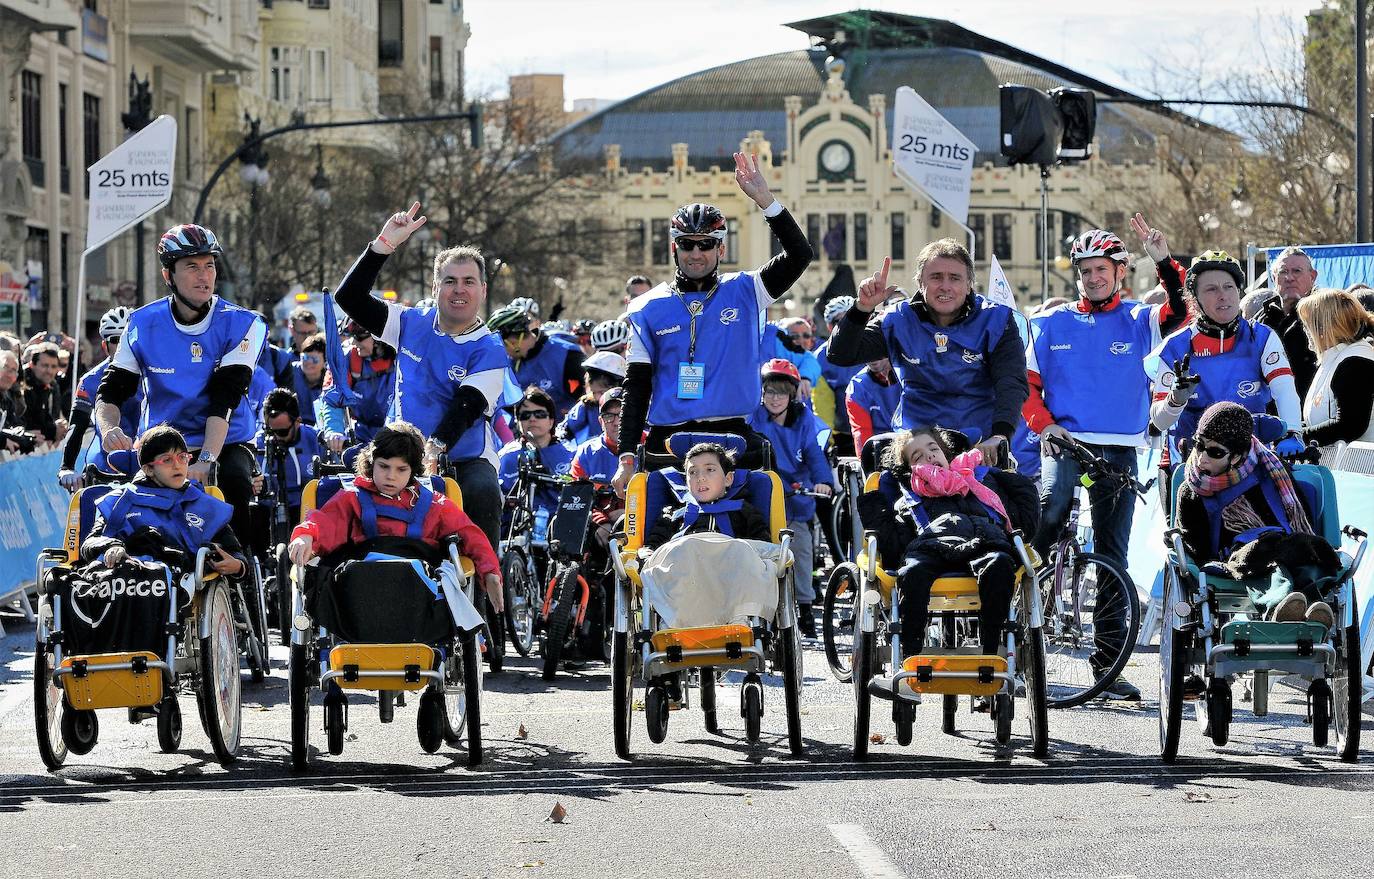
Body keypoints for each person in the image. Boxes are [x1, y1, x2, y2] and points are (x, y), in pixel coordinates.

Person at [1025, 218, 1190, 700]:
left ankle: (1107, 667)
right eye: (1085, 271)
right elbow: (1027, 388)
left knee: (1112, 553)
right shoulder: (1047, 323)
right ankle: (1019, 616)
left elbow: (1180, 309)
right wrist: (1044, 425)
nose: (1093, 278)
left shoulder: (1140, 319)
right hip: (1064, 441)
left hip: (1117, 447)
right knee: (1052, 509)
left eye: (1101, 270)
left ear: (1120, 272)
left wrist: (1163, 259)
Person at [612, 152, 812, 494]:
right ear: (675, 249)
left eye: (706, 244)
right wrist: (627, 455)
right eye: (687, 244)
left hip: (733, 436)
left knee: (762, 524)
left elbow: (800, 255)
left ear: (721, 249)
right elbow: (637, 386)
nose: (696, 252)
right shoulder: (646, 307)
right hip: (668, 441)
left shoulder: (748, 290)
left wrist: (766, 201)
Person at [329, 204, 508, 555]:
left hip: (462, 457)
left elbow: (466, 406)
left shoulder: (489, 347)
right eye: (450, 281)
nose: (459, 290)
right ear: (435, 286)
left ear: (483, 290)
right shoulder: (410, 322)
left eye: (469, 282)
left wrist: (434, 450)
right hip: (400, 453)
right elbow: (348, 298)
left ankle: (489, 598)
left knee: (484, 491)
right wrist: (383, 245)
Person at [95, 224, 268, 550]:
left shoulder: (243, 323)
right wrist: (108, 429)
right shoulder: (141, 323)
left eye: (209, 265)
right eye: (192, 266)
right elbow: (113, 389)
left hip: (225, 441)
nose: (204, 275)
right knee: (130, 502)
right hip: (161, 443)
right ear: (168, 275)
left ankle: (240, 571)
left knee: (231, 482)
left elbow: (224, 399)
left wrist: (204, 460)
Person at [825, 241, 1028, 461]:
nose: (945, 286)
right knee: (877, 492)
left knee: (1020, 494)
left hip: (979, 444)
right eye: (936, 277)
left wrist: (1000, 435)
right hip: (916, 445)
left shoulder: (997, 319)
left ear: (969, 284)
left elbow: (1011, 382)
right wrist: (862, 309)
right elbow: (839, 355)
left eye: (955, 278)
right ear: (920, 282)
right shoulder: (896, 319)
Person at [857, 427, 1039, 656]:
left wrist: (1007, 476)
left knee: (1000, 563)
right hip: (930, 548)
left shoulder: (979, 479)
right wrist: (875, 506)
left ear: (945, 453)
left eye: (933, 449)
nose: (929, 456)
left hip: (984, 542)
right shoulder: (908, 497)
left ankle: (991, 652)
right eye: (918, 456)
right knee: (912, 570)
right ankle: (910, 654)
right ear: (909, 468)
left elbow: (1025, 519)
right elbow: (893, 547)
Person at [286, 421, 502, 611]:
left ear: (413, 471)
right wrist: (306, 536)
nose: (391, 476)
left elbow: (470, 535)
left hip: (419, 597)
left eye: (401, 469)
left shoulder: (435, 504)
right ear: (371, 463)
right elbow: (325, 522)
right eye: (384, 466)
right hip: (360, 594)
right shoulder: (351, 498)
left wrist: (491, 572)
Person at [1175, 402, 1337, 627]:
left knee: (1302, 547)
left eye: (1215, 452)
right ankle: (1280, 608)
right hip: (1236, 557)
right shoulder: (1191, 491)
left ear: (1237, 456)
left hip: (1285, 543)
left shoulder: (1272, 470)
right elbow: (1197, 550)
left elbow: (1301, 518)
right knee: (1263, 554)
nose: (1202, 457)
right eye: (1198, 445)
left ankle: (1314, 611)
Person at [1148, 250, 1302, 457]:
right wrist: (1174, 401)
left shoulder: (1261, 337)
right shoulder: (1176, 346)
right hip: (1191, 460)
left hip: (1249, 455)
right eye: (1211, 289)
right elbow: (1159, 421)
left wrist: (1292, 432)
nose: (1223, 295)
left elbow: (1284, 389)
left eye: (1229, 287)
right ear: (1195, 300)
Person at [81, 425, 248, 579]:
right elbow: (89, 544)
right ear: (148, 469)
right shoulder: (119, 500)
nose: (177, 466)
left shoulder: (203, 504)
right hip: (123, 579)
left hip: (180, 586)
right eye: (167, 460)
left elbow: (235, 552)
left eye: (182, 457)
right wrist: (111, 546)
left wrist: (238, 566)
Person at [749, 359, 832, 636]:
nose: (774, 398)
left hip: (796, 498)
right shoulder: (753, 417)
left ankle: (806, 608)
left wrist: (823, 481)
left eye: (781, 392)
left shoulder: (804, 418)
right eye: (769, 391)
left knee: (803, 550)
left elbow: (813, 453)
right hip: (763, 495)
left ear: (792, 394)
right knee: (759, 552)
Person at [59, 307, 143, 490]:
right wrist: (66, 467)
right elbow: (77, 425)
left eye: (129, 336)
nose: (123, 344)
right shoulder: (89, 381)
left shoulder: (155, 372)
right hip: (105, 459)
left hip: (147, 455)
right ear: (105, 346)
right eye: (116, 340)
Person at [645, 442, 771, 548]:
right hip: (684, 568)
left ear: (728, 479)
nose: (700, 478)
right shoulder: (673, 513)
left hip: (729, 568)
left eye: (710, 470)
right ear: (686, 482)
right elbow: (654, 546)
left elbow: (763, 545)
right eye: (693, 472)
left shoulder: (744, 510)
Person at [1298, 289, 1374, 462]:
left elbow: (1350, 425)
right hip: (1342, 469)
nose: (1305, 330)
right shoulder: (1338, 357)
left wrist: (1298, 436)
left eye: (1307, 324)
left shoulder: (1356, 361)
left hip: (1359, 473)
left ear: (1324, 328)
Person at [497, 387, 576, 544]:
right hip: (516, 533)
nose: (532, 419)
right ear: (518, 423)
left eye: (539, 414)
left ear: (552, 420)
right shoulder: (505, 457)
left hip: (563, 530)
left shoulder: (571, 453)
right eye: (525, 415)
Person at [487, 304, 585, 421]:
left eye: (500, 346)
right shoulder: (510, 363)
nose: (501, 353)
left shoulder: (566, 355)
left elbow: (587, 400)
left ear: (513, 341)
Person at [318, 319, 396, 453]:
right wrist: (334, 430)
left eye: (359, 337)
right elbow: (333, 398)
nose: (354, 343)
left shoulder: (402, 358)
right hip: (360, 434)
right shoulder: (346, 357)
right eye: (353, 337)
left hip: (395, 434)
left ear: (380, 337)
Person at [1258, 247, 1321, 399]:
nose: (1289, 277)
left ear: (1312, 276)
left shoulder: (1323, 314)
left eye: (1297, 271)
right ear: (1274, 278)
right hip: (1269, 412)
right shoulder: (1262, 318)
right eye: (1283, 272)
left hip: (1309, 411)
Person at [254, 388, 322, 525]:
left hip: (305, 509)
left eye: (283, 431)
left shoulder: (314, 438)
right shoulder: (257, 443)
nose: (277, 437)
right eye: (270, 431)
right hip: (267, 511)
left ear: (297, 421)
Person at [570, 386, 627, 550]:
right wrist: (601, 521)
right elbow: (577, 499)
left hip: (642, 523)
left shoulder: (651, 446)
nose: (616, 422)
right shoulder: (585, 453)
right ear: (601, 421)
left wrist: (629, 515)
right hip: (600, 529)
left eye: (622, 414)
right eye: (609, 416)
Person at [813, 295, 862, 458]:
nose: (846, 326)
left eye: (850, 319)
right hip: (842, 435)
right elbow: (821, 406)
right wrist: (827, 442)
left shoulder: (875, 344)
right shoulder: (820, 357)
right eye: (838, 321)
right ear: (829, 326)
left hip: (878, 429)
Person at [558, 350, 625, 445]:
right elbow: (565, 428)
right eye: (593, 392)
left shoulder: (631, 406)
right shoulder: (587, 405)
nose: (597, 397)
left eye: (602, 392)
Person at [845, 357, 899, 451]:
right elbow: (861, 432)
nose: (872, 356)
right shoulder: (857, 387)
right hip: (880, 448)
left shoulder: (911, 374)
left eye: (877, 349)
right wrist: (866, 461)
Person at [21, 341, 67, 445]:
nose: (49, 371)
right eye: (45, 365)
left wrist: (58, 426)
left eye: (53, 366)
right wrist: (53, 430)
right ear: (32, 365)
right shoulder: (20, 382)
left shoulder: (52, 384)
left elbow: (48, 417)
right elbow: (29, 422)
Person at [284, 332, 327, 426]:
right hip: (294, 426)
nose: (308, 362)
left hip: (322, 427)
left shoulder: (330, 379)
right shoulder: (290, 371)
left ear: (325, 362)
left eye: (314, 359)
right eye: (305, 357)